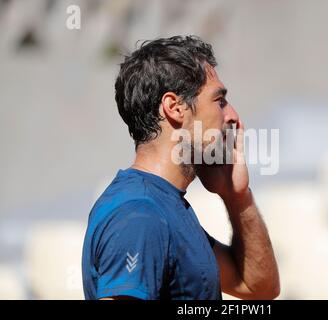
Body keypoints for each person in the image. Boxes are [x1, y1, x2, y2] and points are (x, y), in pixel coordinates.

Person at [82, 35, 280, 300]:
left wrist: (237, 196)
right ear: (174, 108)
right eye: (219, 100)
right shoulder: (140, 214)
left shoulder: (164, 206)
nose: (232, 115)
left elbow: (258, 286)